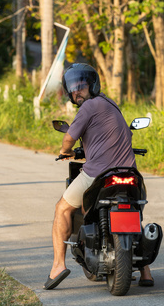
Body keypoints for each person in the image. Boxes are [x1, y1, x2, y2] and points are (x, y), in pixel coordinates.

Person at [43, 63, 154, 290]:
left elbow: (68, 139)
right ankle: (145, 270)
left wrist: (66, 152)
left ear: (92, 85)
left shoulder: (88, 107)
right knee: (135, 208)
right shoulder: (112, 106)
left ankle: (57, 266)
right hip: (130, 173)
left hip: (98, 174)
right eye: (73, 89)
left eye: (81, 87)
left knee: (61, 208)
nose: (77, 92)